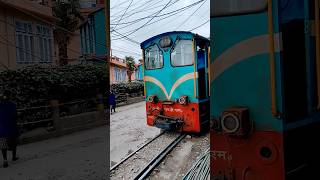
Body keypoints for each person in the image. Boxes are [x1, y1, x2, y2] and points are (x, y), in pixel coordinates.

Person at [0, 90, 19, 168]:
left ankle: (5, 160)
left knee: (3, 143)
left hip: (1, 128)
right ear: (10, 96)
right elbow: (15, 116)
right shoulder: (13, 105)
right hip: (11, 127)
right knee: (14, 141)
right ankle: (13, 156)